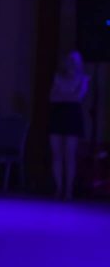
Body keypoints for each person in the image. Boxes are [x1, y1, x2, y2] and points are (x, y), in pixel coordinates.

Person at [48, 50, 89, 199]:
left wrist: (63, 95)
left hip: (72, 115)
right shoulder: (58, 77)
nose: (71, 63)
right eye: (69, 60)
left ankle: (68, 189)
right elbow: (52, 97)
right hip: (58, 114)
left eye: (74, 60)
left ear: (79, 63)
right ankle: (58, 188)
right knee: (56, 153)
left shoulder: (83, 79)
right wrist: (67, 95)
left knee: (69, 154)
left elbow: (78, 98)